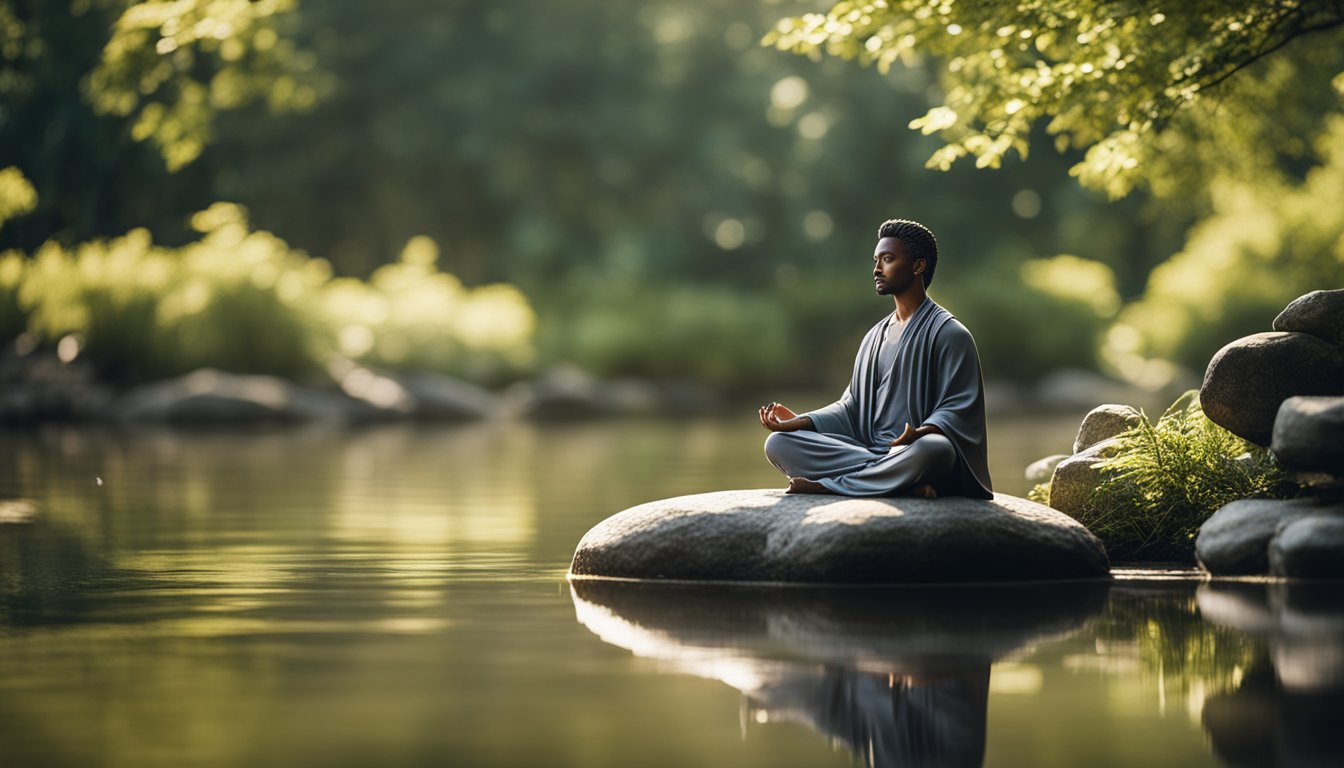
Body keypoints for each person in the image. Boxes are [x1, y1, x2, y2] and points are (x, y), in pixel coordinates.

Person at [759, 219, 993, 499]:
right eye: (876, 260)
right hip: (867, 451)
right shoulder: (873, 337)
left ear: (918, 266)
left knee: (936, 450)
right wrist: (799, 422)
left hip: (912, 451)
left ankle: (829, 485)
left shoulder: (950, 334)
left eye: (888, 259)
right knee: (778, 443)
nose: (877, 269)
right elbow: (851, 408)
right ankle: (898, 482)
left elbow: (959, 409)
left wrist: (919, 432)